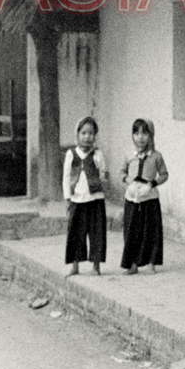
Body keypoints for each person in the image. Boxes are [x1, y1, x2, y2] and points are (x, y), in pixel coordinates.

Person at [119, 118, 169, 275]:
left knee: (151, 231)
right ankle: (132, 264)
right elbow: (121, 172)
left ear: (151, 135)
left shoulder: (156, 156)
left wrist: (152, 184)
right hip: (132, 199)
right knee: (131, 231)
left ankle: (151, 263)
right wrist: (129, 182)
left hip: (149, 199)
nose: (140, 137)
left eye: (145, 133)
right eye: (136, 133)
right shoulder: (129, 155)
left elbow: (164, 175)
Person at [62, 116, 107, 276]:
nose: (87, 137)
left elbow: (103, 173)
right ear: (77, 134)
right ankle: (75, 266)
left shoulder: (98, 154)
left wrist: (103, 183)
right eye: (83, 133)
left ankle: (96, 266)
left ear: (95, 136)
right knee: (76, 233)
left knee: (96, 233)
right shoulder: (71, 154)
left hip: (95, 200)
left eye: (91, 133)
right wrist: (68, 199)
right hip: (77, 200)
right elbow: (66, 177)